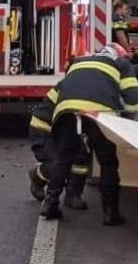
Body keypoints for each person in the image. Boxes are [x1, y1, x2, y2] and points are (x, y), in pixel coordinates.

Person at [37, 43, 138, 225]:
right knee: (108, 163)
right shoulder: (121, 63)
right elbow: (133, 97)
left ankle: (50, 204)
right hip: (98, 114)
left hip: (66, 111)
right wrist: (124, 121)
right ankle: (110, 213)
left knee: (64, 157)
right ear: (118, 55)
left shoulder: (78, 62)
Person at [28, 60, 92, 210]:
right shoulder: (69, 86)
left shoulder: (86, 85)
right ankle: (37, 176)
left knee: (82, 157)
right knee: (57, 164)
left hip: (67, 128)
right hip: (44, 129)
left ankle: (73, 194)